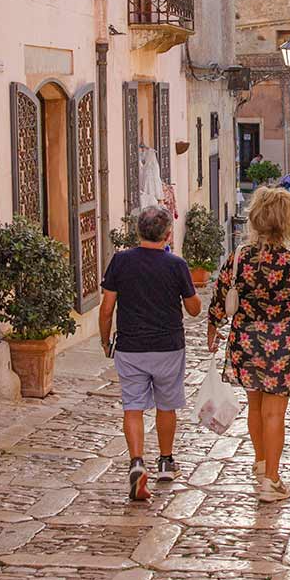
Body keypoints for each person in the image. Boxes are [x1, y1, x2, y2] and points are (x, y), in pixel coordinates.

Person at [207, 187, 290, 502]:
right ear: (288, 222)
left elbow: (220, 297)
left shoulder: (239, 258)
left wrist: (212, 326)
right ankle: (271, 481)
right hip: (283, 345)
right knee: (274, 413)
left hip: (246, 342)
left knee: (256, 406)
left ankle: (261, 464)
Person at [100, 204, 203, 501]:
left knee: (132, 406)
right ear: (168, 233)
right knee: (166, 405)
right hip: (168, 346)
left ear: (137, 232)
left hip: (131, 346)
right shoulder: (176, 265)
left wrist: (105, 342)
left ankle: (136, 462)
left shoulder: (120, 262)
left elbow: (107, 309)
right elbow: (194, 309)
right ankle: (166, 461)